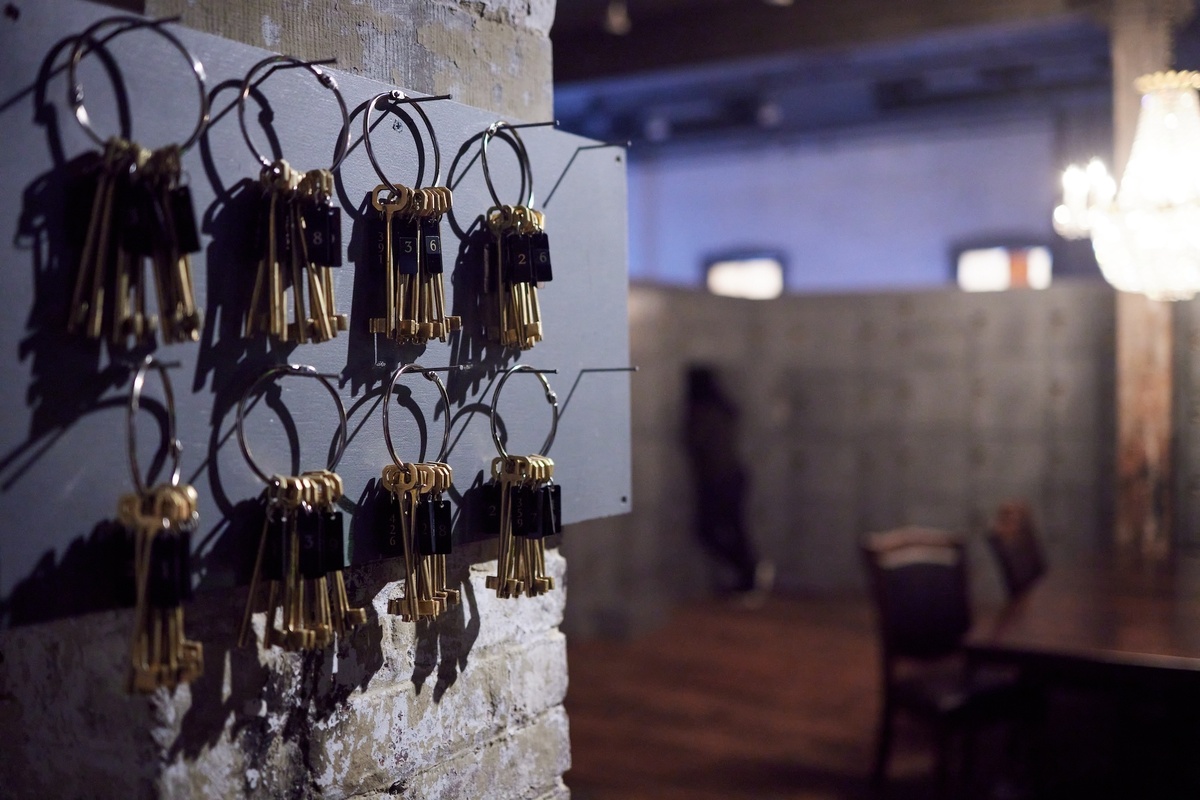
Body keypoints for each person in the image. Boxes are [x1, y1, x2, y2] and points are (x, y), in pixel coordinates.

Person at [683, 366, 772, 600]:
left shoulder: (703, 412)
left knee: (708, 531)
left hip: (718, 479)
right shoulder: (723, 409)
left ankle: (750, 572)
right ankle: (749, 575)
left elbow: (694, 442)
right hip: (732, 476)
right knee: (734, 529)